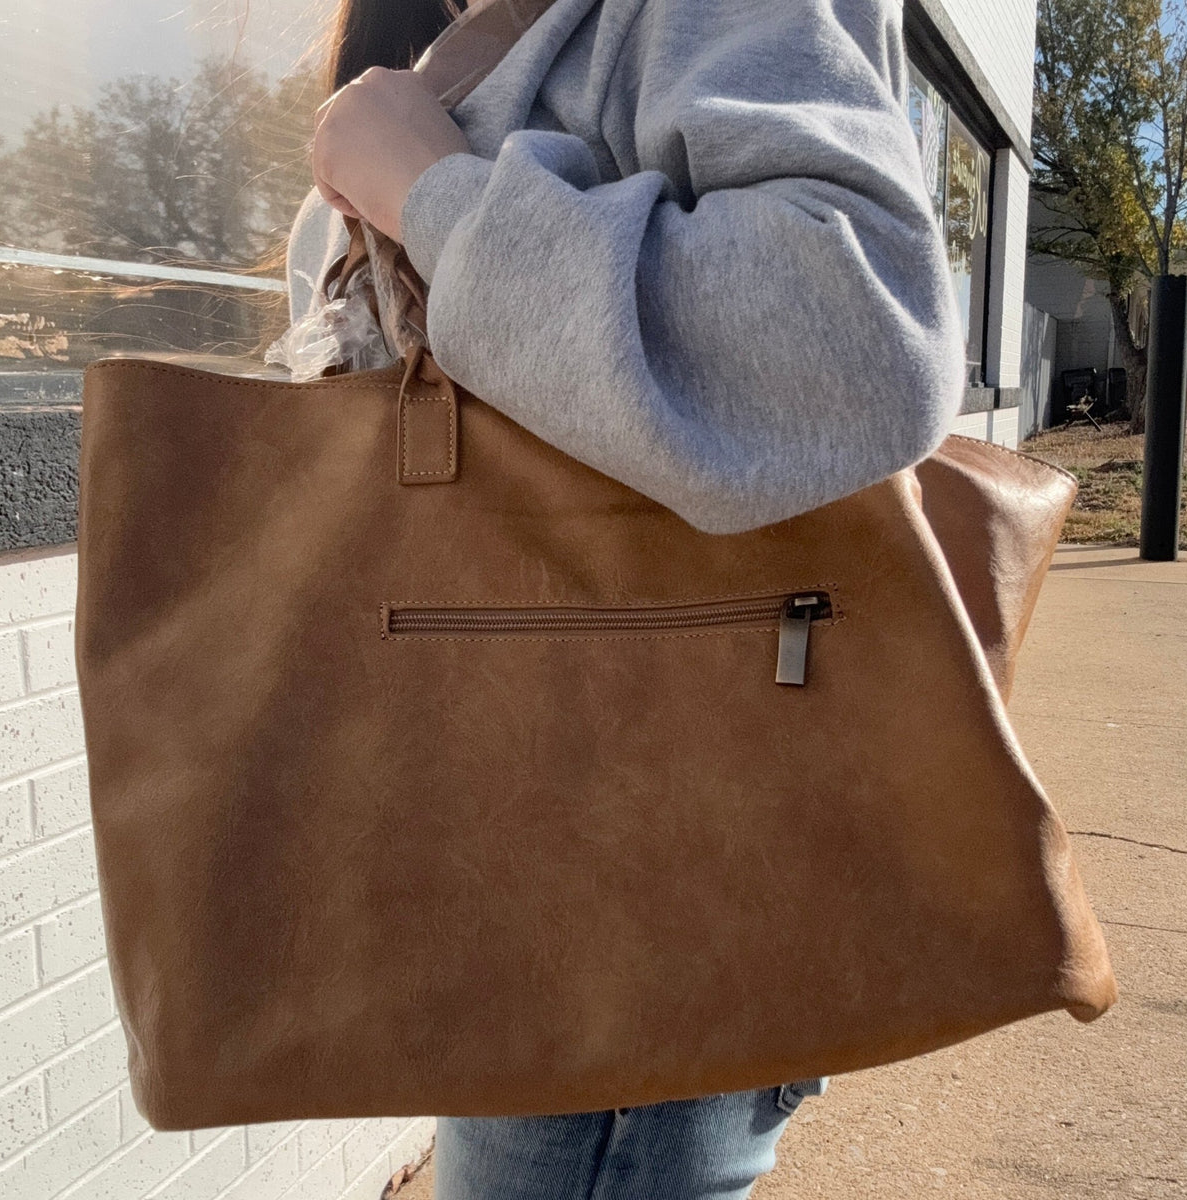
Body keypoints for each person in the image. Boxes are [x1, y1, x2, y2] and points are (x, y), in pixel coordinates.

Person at [286, 0, 965, 1195]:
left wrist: (437, 197)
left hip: (629, 900)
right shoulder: (449, 38)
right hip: (491, 862)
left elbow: (864, 334)